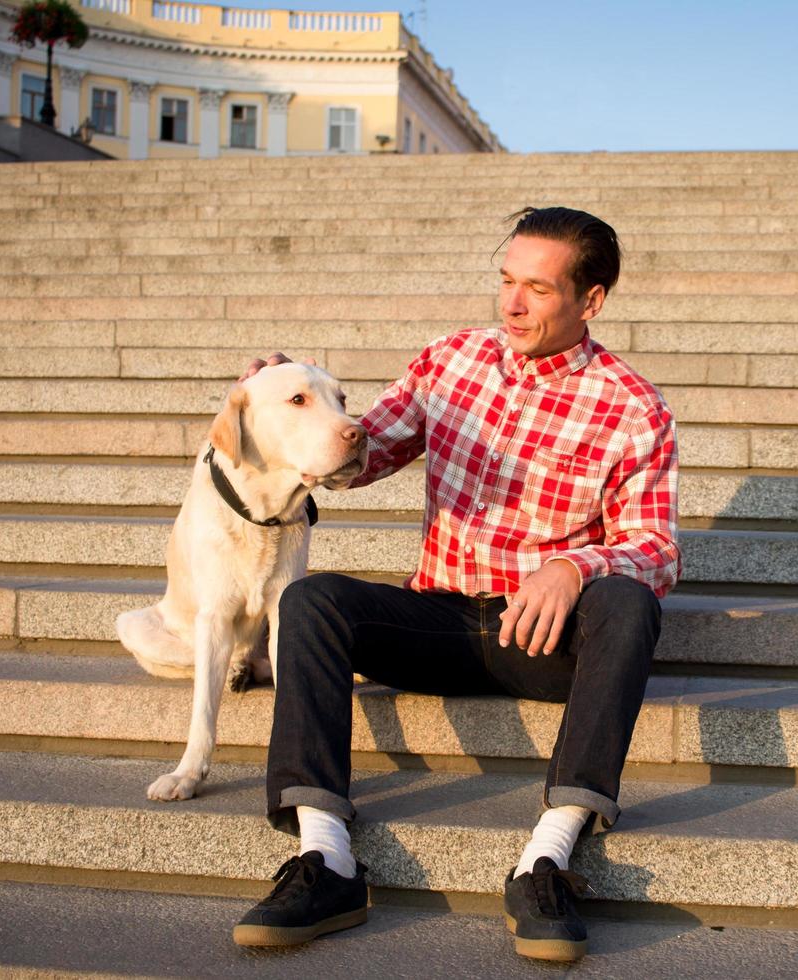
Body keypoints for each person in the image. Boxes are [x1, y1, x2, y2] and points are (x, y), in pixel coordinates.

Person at [231, 206, 681, 963]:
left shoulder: (632, 407)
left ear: (591, 301)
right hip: (435, 620)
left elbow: (657, 547)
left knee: (629, 598)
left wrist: (574, 566)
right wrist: (294, 407)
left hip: (539, 642)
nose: (511, 303)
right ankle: (326, 857)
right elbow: (359, 458)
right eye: (506, 281)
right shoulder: (450, 362)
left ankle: (549, 857)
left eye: (537, 289)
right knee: (310, 600)